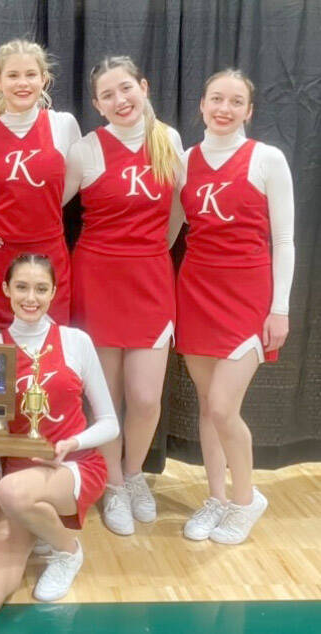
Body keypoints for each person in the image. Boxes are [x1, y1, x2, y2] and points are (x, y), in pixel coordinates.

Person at [64, 56, 184, 536]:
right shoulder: (86, 150)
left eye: (126, 89)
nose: (120, 100)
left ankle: (134, 474)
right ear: (96, 104)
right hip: (96, 280)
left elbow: (178, 216)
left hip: (151, 279)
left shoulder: (168, 140)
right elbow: (42, 209)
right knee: (106, 399)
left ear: (143, 86)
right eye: (108, 95)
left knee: (146, 397)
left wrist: (148, 251)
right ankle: (112, 484)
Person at [176, 69, 294, 544]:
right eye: (216, 99)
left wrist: (279, 308)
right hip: (195, 291)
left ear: (249, 110)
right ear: (201, 105)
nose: (224, 108)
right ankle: (217, 498)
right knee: (208, 407)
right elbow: (170, 231)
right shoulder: (185, 160)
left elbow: (284, 240)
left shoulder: (267, 159)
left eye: (235, 101)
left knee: (225, 408)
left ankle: (245, 500)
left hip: (246, 296)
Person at [0, 254, 118, 610]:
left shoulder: (75, 341)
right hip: (18, 480)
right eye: (21, 287)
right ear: (6, 289)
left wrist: (72, 443)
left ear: (54, 292)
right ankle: (37, 524)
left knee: (12, 490)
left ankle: (67, 551)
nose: (30, 298)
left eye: (41, 288)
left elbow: (110, 424)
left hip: (74, 468)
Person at [0, 39, 81, 329]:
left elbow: (68, 190)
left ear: (44, 79)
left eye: (31, 75)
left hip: (49, 256)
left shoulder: (64, 125)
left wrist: (40, 213)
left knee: (50, 353)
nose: (23, 83)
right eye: (13, 75)